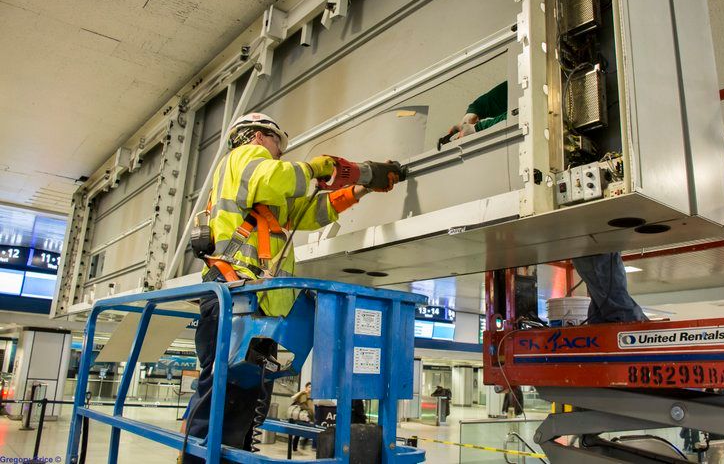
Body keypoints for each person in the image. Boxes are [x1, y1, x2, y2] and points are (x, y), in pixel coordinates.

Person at [184, 113, 397, 461]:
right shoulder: (244, 158)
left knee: (245, 397)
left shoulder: (264, 189)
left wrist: (360, 188)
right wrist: (313, 168)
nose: (279, 153)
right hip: (234, 297)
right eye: (276, 143)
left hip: (254, 305)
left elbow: (308, 212)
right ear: (256, 136)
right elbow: (277, 177)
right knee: (223, 396)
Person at [446, 84, 647, 324]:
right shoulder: (525, 79)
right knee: (593, 258)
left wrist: (478, 128)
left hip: (581, 191)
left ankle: (622, 322)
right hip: (578, 201)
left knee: (595, 255)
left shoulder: (552, 86)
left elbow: (525, 110)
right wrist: (473, 112)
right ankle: (610, 321)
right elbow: (506, 93)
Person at [288, 382, 314, 451]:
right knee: (301, 432)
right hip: (301, 416)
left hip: (306, 416)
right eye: (309, 387)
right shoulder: (304, 394)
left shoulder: (311, 396)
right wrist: (310, 412)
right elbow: (303, 405)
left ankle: (296, 447)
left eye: (311, 387)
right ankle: (297, 447)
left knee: (300, 432)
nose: (310, 389)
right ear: (306, 387)